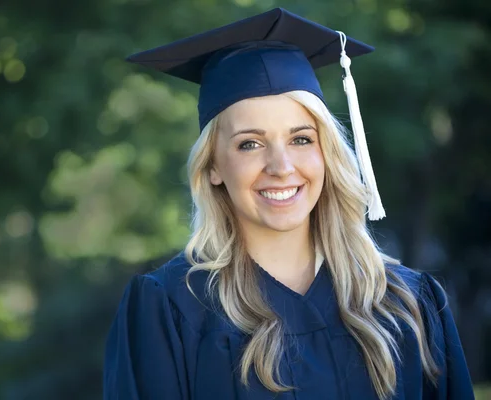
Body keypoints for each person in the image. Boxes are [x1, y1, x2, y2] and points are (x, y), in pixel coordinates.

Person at [103, 7, 474, 400]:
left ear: (326, 153)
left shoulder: (407, 303)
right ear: (213, 166)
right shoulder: (172, 309)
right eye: (250, 144)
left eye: (301, 139)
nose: (281, 167)